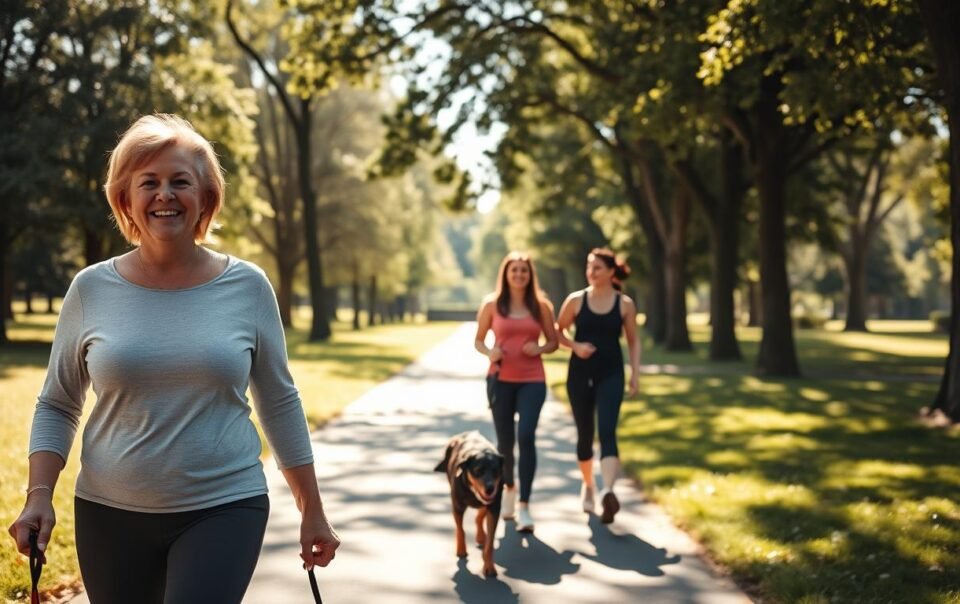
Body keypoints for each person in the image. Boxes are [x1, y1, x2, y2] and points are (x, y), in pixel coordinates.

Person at [7, 114, 339, 603]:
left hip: (225, 506)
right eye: (149, 182)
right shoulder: (91, 289)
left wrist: (311, 507)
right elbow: (58, 403)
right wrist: (39, 496)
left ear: (205, 197)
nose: (165, 194)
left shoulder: (247, 287)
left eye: (180, 181)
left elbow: (280, 401)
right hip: (109, 512)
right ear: (126, 199)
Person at [474, 251, 558, 533]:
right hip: (500, 379)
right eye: (514, 270)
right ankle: (508, 487)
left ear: (530, 275)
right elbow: (478, 340)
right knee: (505, 443)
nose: (519, 274)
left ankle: (524, 506)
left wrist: (541, 347)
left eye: (524, 270)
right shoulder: (492, 304)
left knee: (526, 436)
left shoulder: (541, 306)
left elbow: (554, 341)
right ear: (506, 274)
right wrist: (490, 351)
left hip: (532, 379)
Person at [555, 248, 641, 524]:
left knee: (607, 430)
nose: (591, 272)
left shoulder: (624, 304)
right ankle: (589, 484)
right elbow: (558, 331)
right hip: (580, 374)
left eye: (598, 268)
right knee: (584, 434)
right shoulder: (576, 301)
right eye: (589, 267)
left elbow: (633, 340)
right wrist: (575, 346)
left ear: (611, 272)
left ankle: (608, 491)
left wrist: (635, 373)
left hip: (611, 373)